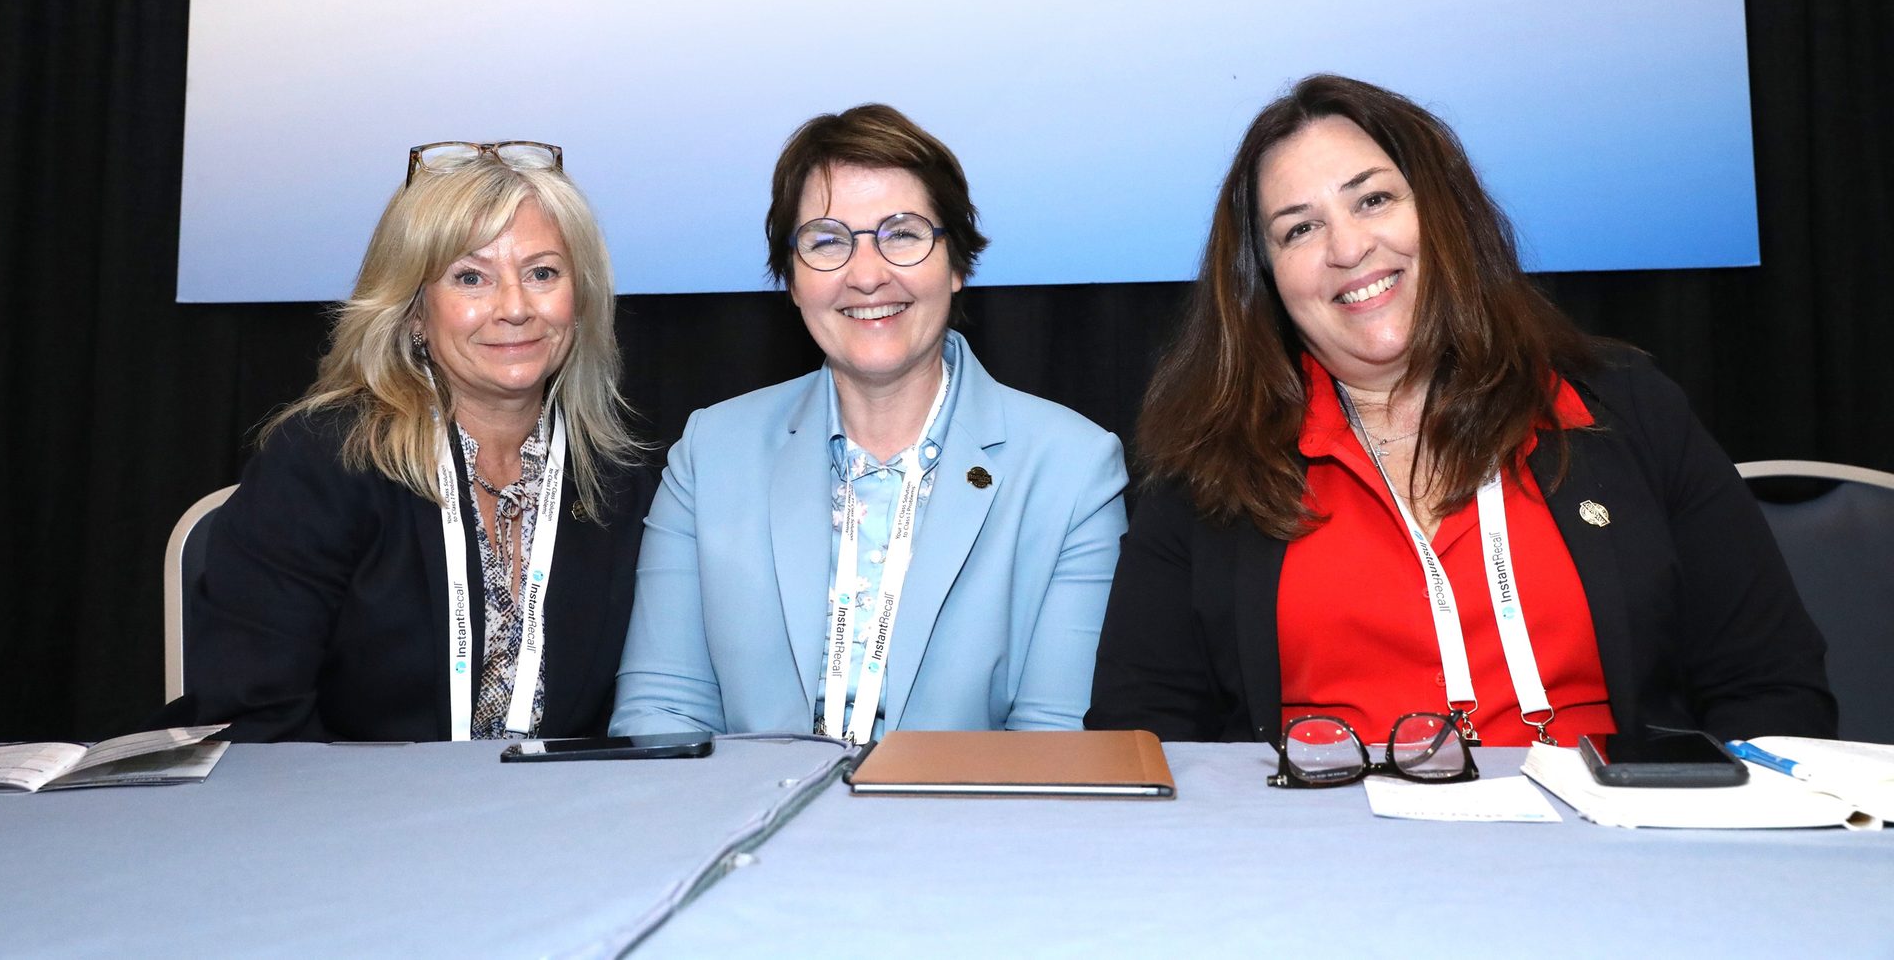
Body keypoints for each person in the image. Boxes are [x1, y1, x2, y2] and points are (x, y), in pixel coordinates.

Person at [1085, 76, 1836, 747]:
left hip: (1610, 863)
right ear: (1268, 281)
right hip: (1321, 875)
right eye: (1299, 229)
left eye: (1373, 198)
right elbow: (1143, 731)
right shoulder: (1210, 469)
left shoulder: (1622, 408)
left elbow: (1769, 688)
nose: (1348, 247)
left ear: (1443, 215)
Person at [611, 105, 1127, 742]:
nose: (866, 274)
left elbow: (1054, 737)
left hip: (970, 831)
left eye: (902, 234)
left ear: (957, 263)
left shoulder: (1074, 468)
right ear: (792, 280)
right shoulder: (711, 453)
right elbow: (663, 710)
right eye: (827, 241)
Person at [177, 141, 653, 741]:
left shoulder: (618, 482)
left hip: (557, 822)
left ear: (579, 302)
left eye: (542, 273)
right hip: (344, 822)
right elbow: (254, 718)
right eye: (470, 277)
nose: (514, 307)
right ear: (414, 314)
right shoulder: (322, 463)